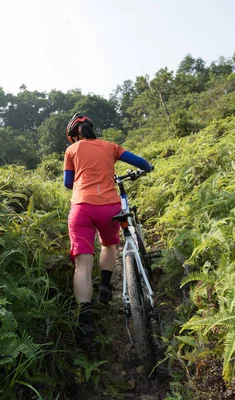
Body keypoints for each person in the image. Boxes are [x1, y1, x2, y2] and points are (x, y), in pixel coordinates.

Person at [63, 113, 153, 345]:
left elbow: (67, 183)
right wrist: (148, 167)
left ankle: (86, 324)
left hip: (82, 207)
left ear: (74, 136)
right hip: (109, 206)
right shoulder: (110, 146)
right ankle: (104, 285)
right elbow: (143, 164)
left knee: (82, 264)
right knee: (109, 244)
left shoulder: (71, 151)